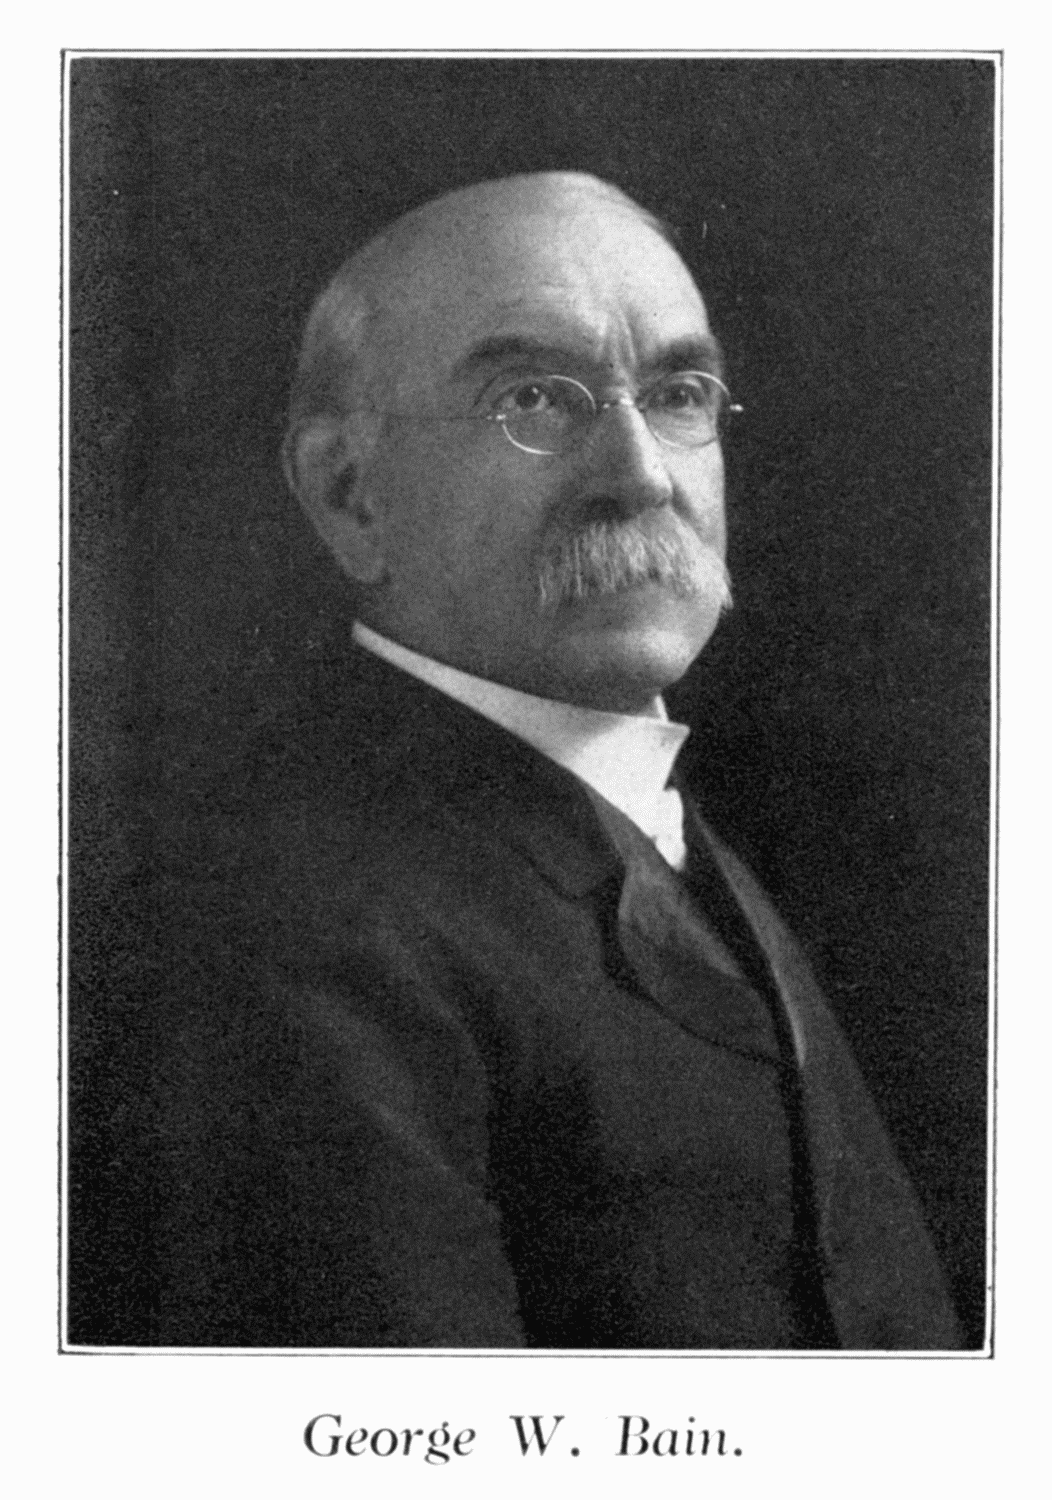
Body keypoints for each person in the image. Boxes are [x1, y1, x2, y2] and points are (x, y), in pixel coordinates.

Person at [144, 171, 960, 1349]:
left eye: (677, 394)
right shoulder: (302, 929)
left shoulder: (646, 808)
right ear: (349, 494)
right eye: (531, 398)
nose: (639, 472)